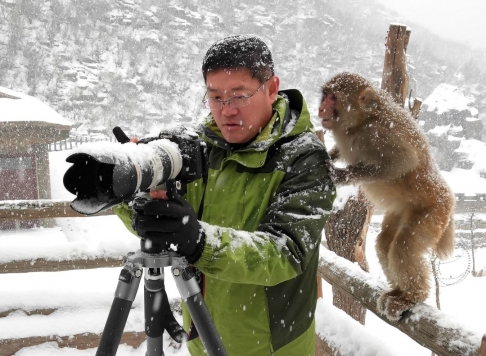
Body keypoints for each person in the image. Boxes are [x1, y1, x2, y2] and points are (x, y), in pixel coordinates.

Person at [115, 35, 335, 356]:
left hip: (272, 348)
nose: (227, 111)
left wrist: (199, 241)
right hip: (202, 336)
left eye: (239, 95)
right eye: (215, 97)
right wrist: (128, 186)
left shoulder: (305, 158)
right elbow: (160, 222)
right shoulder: (202, 149)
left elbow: (285, 253)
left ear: (272, 88)